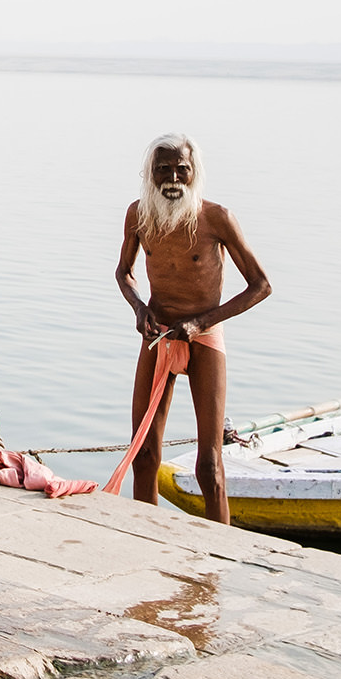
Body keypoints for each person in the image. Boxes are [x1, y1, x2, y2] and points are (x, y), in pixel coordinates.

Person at [113, 134, 273, 525]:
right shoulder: (138, 215)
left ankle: (219, 556)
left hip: (204, 337)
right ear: (150, 174)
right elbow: (124, 271)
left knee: (209, 464)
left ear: (193, 172)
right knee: (144, 453)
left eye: (181, 169)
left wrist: (202, 322)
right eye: (163, 169)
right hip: (157, 336)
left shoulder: (217, 218)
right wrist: (138, 309)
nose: (172, 178)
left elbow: (261, 285)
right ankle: (145, 540)